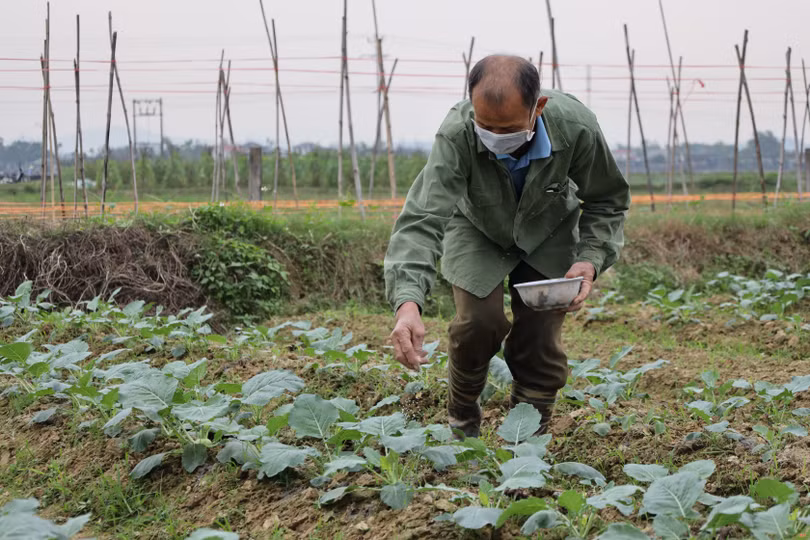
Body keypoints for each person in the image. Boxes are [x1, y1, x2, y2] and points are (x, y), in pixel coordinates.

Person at [383, 54, 630, 438]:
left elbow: (607, 200)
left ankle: (527, 438)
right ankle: (463, 421)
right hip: (477, 225)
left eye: (510, 128)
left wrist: (590, 259)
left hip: (548, 228)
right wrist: (407, 304)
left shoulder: (576, 128)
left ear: (539, 107)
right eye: (486, 127)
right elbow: (422, 218)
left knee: (540, 336)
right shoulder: (457, 134)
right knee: (476, 324)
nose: (497, 138)